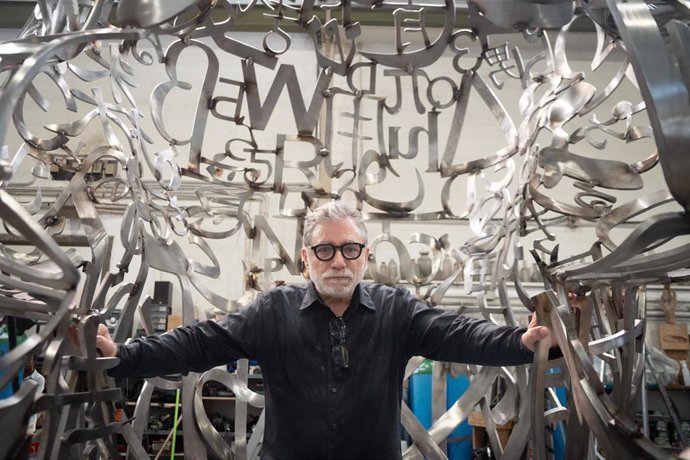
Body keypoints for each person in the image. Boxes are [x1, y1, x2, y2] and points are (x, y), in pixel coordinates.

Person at [96, 201, 553, 460]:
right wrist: (125, 355)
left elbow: (460, 333)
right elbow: (199, 342)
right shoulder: (273, 311)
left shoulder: (396, 311)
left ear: (365, 255)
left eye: (351, 249)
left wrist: (519, 341)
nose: (339, 261)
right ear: (306, 256)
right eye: (326, 250)